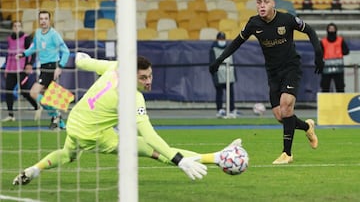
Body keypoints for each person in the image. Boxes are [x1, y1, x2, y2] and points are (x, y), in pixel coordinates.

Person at [13, 53, 243, 185]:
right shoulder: (133, 98)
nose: (148, 81)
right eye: (143, 78)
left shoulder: (115, 67)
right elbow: (150, 136)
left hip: (75, 121)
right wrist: (178, 160)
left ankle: (34, 169)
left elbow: (86, 61)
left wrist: (80, 57)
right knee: (153, 150)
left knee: (69, 155)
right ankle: (219, 157)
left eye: (150, 75)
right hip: (95, 136)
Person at [209, 0, 324, 165]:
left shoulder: (286, 19)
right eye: (259, 2)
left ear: (273, 3)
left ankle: (287, 154)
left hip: (291, 68)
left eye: (266, 1)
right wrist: (219, 60)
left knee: (286, 108)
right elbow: (237, 43)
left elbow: (309, 30)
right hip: (273, 74)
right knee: (281, 117)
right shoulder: (254, 24)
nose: (262, 5)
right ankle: (307, 127)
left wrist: (318, 53)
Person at [16, 10, 70, 130]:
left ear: (49, 21)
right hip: (43, 67)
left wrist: (60, 67)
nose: (43, 21)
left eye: (46, 19)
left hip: (52, 67)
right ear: (39, 20)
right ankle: (59, 121)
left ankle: (56, 115)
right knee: (46, 97)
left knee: (34, 93)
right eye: (41, 19)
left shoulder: (54, 34)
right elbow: (34, 47)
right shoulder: (38, 33)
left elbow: (66, 51)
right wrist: (23, 54)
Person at [1, 21, 39, 122]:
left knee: (24, 91)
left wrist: (30, 64)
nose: (17, 28)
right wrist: (7, 69)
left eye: (19, 26)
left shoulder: (26, 38)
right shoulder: (10, 39)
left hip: (22, 69)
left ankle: (37, 107)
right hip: (12, 70)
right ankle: (10, 115)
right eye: (15, 26)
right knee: (8, 91)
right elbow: (9, 56)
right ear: (12, 28)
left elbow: (32, 52)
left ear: (21, 27)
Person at [209, 31, 237, 118]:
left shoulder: (230, 47)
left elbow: (232, 61)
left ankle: (232, 109)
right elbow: (212, 63)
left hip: (229, 74)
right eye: (220, 39)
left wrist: (234, 75)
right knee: (219, 93)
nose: (222, 40)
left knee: (230, 93)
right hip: (219, 75)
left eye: (223, 38)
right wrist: (214, 75)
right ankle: (220, 110)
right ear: (217, 39)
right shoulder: (213, 49)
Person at [320, 22, 350, 92]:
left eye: (333, 29)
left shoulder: (341, 40)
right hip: (326, 68)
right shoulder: (323, 41)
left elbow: (346, 51)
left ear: (336, 30)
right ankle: (325, 102)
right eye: (330, 29)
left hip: (338, 68)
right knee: (325, 86)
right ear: (327, 30)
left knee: (340, 86)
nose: (331, 30)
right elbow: (319, 53)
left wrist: (339, 52)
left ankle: (341, 102)